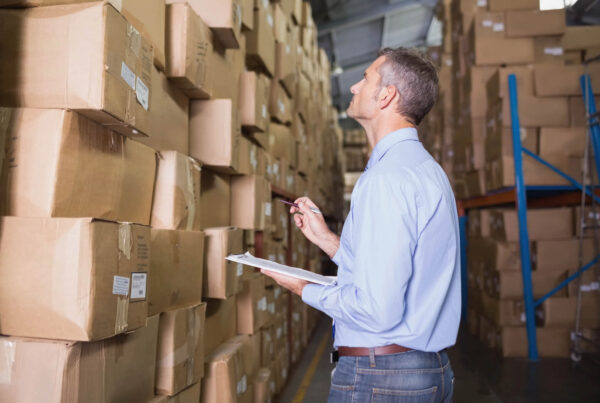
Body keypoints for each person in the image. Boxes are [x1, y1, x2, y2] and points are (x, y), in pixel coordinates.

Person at [261, 47, 461, 402]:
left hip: (383, 378)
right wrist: (327, 241)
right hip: (423, 370)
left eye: (365, 78)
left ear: (387, 95)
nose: (354, 87)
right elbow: (388, 271)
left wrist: (300, 287)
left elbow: (378, 310)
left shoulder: (386, 178)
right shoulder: (424, 170)